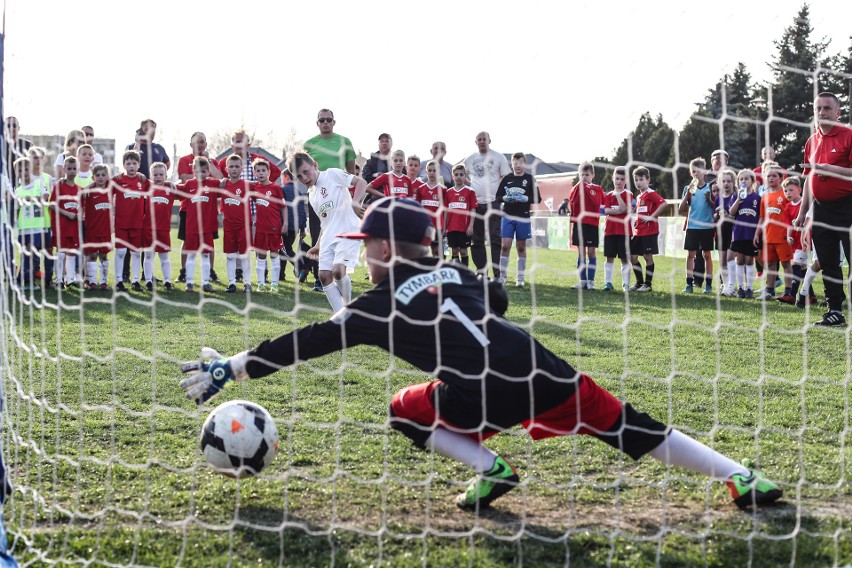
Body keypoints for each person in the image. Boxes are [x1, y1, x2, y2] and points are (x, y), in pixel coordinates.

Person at [179, 197, 783, 512]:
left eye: (367, 246)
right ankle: (741, 477)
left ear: (387, 247)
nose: (364, 256)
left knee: (400, 411)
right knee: (634, 428)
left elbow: (301, 345)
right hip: (542, 368)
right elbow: (496, 301)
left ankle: (490, 468)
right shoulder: (458, 269)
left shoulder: (372, 307)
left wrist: (228, 367)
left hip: (478, 394)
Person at [794, 92, 852, 327]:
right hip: (820, 210)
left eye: (827, 108)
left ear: (838, 112)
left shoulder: (849, 135)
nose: (822, 112)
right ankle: (835, 311)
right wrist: (801, 214)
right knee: (828, 262)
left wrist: (831, 169)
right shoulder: (812, 141)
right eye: (818, 108)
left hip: (848, 205)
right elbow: (808, 180)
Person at [289, 152, 366, 313]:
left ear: (315, 166)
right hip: (329, 236)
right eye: (299, 176)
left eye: (305, 172)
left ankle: (347, 312)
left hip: (348, 230)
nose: (304, 178)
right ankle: (342, 317)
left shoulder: (332, 174)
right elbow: (325, 223)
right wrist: (317, 245)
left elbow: (361, 182)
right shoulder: (311, 195)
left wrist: (355, 201)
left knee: (338, 271)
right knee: (324, 276)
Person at [303, 110, 356, 290]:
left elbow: (351, 170)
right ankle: (321, 276)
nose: (325, 122)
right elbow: (303, 169)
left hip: (338, 195)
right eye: (321, 120)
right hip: (317, 194)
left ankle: (341, 270)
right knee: (318, 230)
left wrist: (353, 197)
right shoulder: (309, 144)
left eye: (328, 120)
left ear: (334, 122)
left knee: (341, 233)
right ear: (317, 123)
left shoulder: (344, 142)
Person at [177, 132, 223, 284]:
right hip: (188, 209)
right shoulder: (184, 160)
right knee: (186, 240)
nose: (200, 145)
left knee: (209, 242)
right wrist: (202, 176)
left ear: (206, 144)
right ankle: (184, 272)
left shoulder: (211, 161)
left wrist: (207, 162)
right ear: (191, 145)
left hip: (208, 211)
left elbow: (220, 179)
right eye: (197, 142)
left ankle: (210, 271)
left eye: (202, 142)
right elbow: (185, 179)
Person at [463, 132, 511, 279]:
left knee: (496, 238)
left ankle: (498, 273)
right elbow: (460, 175)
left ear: (489, 140)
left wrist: (499, 196)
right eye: (479, 139)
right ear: (475, 142)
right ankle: (481, 271)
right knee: (477, 239)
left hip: (493, 202)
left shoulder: (499, 157)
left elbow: (506, 177)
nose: (482, 141)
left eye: (484, 139)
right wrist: (471, 186)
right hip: (475, 203)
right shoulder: (469, 159)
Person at [495, 152, 539, 287]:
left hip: (523, 216)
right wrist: (505, 198)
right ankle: (503, 276)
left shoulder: (530, 179)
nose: (518, 166)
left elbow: (538, 198)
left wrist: (526, 198)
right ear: (512, 164)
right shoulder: (507, 178)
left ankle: (520, 278)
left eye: (520, 163)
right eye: (515, 163)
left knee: (521, 247)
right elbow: (498, 196)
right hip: (507, 216)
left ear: (525, 164)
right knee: (505, 246)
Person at [753, 164, 791, 301]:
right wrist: (757, 233)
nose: (770, 178)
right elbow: (762, 217)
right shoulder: (765, 196)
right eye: (768, 176)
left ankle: (788, 291)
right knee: (769, 264)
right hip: (768, 236)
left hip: (783, 236)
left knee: (786, 263)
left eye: (774, 175)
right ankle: (769, 291)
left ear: (781, 178)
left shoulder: (786, 194)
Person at [112, 150, 149, 292]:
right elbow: (105, 188)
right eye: (128, 163)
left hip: (137, 223)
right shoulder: (118, 180)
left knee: (135, 253)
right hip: (121, 224)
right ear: (124, 165)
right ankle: (118, 281)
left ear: (139, 165)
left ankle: (135, 281)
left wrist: (170, 184)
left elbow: (158, 186)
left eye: (134, 163)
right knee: (121, 252)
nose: (131, 166)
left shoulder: (143, 181)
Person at [12, 157, 50, 292]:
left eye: (26, 169)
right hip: (23, 229)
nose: (24, 172)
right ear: (16, 173)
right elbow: (16, 210)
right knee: (27, 253)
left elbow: (45, 199)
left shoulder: (39, 183)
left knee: (32, 253)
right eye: (20, 170)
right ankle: (25, 281)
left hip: (38, 227)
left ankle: (25, 280)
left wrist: (27, 199)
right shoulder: (17, 191)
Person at [678, 158, 715, 294]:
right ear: (690, 173)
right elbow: (681, 210)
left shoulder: (710, 188)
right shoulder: (688, 189)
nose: (696, 174)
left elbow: (715, 207)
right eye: (693, 171)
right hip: (692, 226)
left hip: (707, 227)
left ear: (704, 171)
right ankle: (689, 283)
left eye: (698, 171)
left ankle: (708, 284)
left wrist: (709, 199)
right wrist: (687, 193)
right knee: (691, 254)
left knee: (707, 255)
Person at [250, 159, 286, 293]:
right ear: (254, 173)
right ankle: (261, 284)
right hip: (260, 228)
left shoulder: (276, 188)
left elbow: (283, 207)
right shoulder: (255, 188)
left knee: (274, 256)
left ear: (269, 172)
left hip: (274, 227)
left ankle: (275, 285)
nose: (260, 173)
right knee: (261, 256)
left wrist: (285, 223)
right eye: (258, 171)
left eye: (263, 170)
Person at [629, 167, 666, 292]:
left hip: (650, 231)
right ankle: (639, 282)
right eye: (636, 180)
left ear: (648, 180)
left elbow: (663, 204)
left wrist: (652, 216)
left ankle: (648, 284)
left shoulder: (651, 193)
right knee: (632, 257)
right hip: (639, 231)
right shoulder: (639, 196)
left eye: (641, 179)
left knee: (647, 256)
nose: (638, 182)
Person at [220, 154, 253, 293]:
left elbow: (265, 185)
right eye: (231, 167)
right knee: (230, 255)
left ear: (242, 169)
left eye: (237, 166)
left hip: (244, 226)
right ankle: (232, 283)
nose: (234, 169)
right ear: (227, 169)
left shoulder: (248, 185)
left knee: (245, 255)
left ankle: (247, 283)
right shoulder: (222, 185)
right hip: (228, 226)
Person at [568, 161, 603, 290]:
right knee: (581, 253)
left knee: (592, 252)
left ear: (592, 175)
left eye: (586, 175)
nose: (584, 178)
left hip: (592, 225)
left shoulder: (597, 189)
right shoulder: (577, 188)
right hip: (579, 224)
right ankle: (582, 281)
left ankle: (591, 281)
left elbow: (599, 203)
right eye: (581, 175)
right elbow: (572, 199)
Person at [142, 162, 176, 291]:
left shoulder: (171, 189)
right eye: (155, 174)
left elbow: (186, 190)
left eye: (161, 174)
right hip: (149, 228)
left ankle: (167, 281)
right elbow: (137, 179)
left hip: (164, 229)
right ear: (150, 176)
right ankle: (149, 281)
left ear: (166, 175)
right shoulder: (146, 188)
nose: (158, 177)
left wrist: (171, 184)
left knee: (164, 256)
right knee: (149, 255)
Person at [48, 156, 81, 288]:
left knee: (71, 252)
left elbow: (83, 207)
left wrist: (78, 214)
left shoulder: (80, 189)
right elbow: (51, 205)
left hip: (74, 227)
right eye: (69, 168)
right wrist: (67, 213)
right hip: (61, 226)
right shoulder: (59, 186)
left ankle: (70, 279)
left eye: (74, 169)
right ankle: (59, 280)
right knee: (61, 251)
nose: (72, 171)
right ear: (64, 169)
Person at [728, 169, 761, 299]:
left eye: (746, 179)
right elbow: (731, 212)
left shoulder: (757, 198)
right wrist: (738, 200)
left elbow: (760, 216)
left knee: (749, 260)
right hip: (739, 233)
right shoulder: (736, 196)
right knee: (740, 259)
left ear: (752, 182)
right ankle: (740, 288)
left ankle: (749, 288)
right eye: (741, 179)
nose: (743, 181)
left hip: (751, 234)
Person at [81, 164, 112, 290]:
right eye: (97, 175)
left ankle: (103, 281)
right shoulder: (89, 191)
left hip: (105, 230)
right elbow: (81, 194)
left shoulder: (111, 189)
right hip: (92, 230)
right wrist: (89, 186)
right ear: (93, 177)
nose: (100, 177)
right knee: (92, 255)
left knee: (104, 255)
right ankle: (92, 281)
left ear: (107, 177)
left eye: (103, 175)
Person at [602, 167, 632, 292]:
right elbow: (606, 210)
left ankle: (626, 284)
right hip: (610, 231)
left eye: (621, 179)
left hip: (624, 232)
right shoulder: (608, 195)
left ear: (625, 181)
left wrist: (618, 197)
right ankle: (608, 283)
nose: (618, 182)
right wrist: (619, 210)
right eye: (617, 179)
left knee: (624, 258)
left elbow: (625, 209)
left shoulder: (628, 194)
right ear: (612, 179)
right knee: (609, 257)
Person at [444, 164, 477, 266]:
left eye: (461, 174)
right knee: (454, 251)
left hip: (464, 228)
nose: (458, 177)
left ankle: (465, 274)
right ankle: (456, 274)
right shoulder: (448, 192)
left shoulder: (470, 191)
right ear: (452, 177)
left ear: (465, 176)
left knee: (463, 251)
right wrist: (444, 226)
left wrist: (471, 225)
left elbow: (473, 209)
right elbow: (445, 211)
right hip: (451, 228)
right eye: (456, 175)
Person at [780, 177, 805, 305]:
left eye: (791, 190)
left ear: (799, 190)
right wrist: (789, 236)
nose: (788, 193)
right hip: (794, 242)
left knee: (795, 265)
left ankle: (792, 295)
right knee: (803, 268)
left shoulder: (804, 204)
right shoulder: (788, 207)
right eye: (785, 191)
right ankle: (810, 295)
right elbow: (788, 224)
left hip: (804, 240)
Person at [414, 160, 446, 258]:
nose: (432, 173)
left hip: (438, 226)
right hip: (425, 225)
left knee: (438, 251)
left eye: (434, 171)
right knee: (423, 250)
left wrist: (445, 227)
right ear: (426, 172)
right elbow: (418, 209)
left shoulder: (443, 189)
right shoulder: (421, 189)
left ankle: (439, 270)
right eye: (430, 170)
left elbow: (445, 211)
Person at [714, 169, 738, 297]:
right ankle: (726, 285)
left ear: (733, 182)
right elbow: (714, 216)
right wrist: (718, 213)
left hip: (733, 231)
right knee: (722, 261)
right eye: (723, 181)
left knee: (731, 259)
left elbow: (738, 218)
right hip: (721, 231)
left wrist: (727, 215)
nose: (726, 184)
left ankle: (731, 287)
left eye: (729, 181)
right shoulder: (718, 198)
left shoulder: (736, 197)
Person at [280, 169, 306, 283]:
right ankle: (281, 275)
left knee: (285, 249)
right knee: (283, 250)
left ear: (286, 177)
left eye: (282, 178)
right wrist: (302, 228)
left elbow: (281, 208)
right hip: (295, 226)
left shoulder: (282, 190)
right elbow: (303, 212)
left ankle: (302, 266)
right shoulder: (299, 192)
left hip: (285, 226)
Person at [361, 133, 392, 202]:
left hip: (394, 197)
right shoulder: (371, 162)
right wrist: (375, 176)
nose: (384, 143)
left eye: (387, 141)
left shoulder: (397, 160)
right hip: (375, 197)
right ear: (378, 144)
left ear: (391, 143)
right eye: (381, 141)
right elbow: (365, 177)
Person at [4, 117, 32, 186]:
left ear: (18, 128)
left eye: (14, 125)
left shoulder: (27, 145)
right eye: (8, 125)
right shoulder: (1, 145)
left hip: (23, 185)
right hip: (4, 184)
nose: (11, 128)